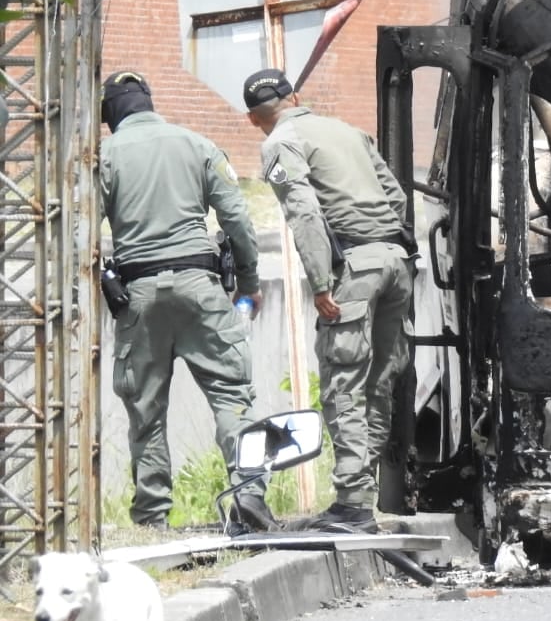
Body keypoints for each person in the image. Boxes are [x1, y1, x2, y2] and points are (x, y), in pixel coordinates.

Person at [98, 70, 273, 532]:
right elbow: (236, 217)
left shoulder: (105, 155)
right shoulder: (198, 145)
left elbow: (78, 229)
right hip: (201, 286)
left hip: (138, 295)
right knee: (232, 395)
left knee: (145, 409)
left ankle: (152, 519)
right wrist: (249, 280)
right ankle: (249, 492)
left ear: (110, 115)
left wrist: (99, 274)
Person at [243, 68, 413, 531]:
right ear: (296, 96)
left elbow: (304, 212)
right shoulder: (348, 131)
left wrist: (320, 282)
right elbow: (396, 197)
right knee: (378, 382)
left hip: (354, 270)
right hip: (396, 261)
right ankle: (364, 492)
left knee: (343, 385)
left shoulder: (280, 142)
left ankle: (354, 503)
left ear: (254, 118)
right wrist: (387, 247)